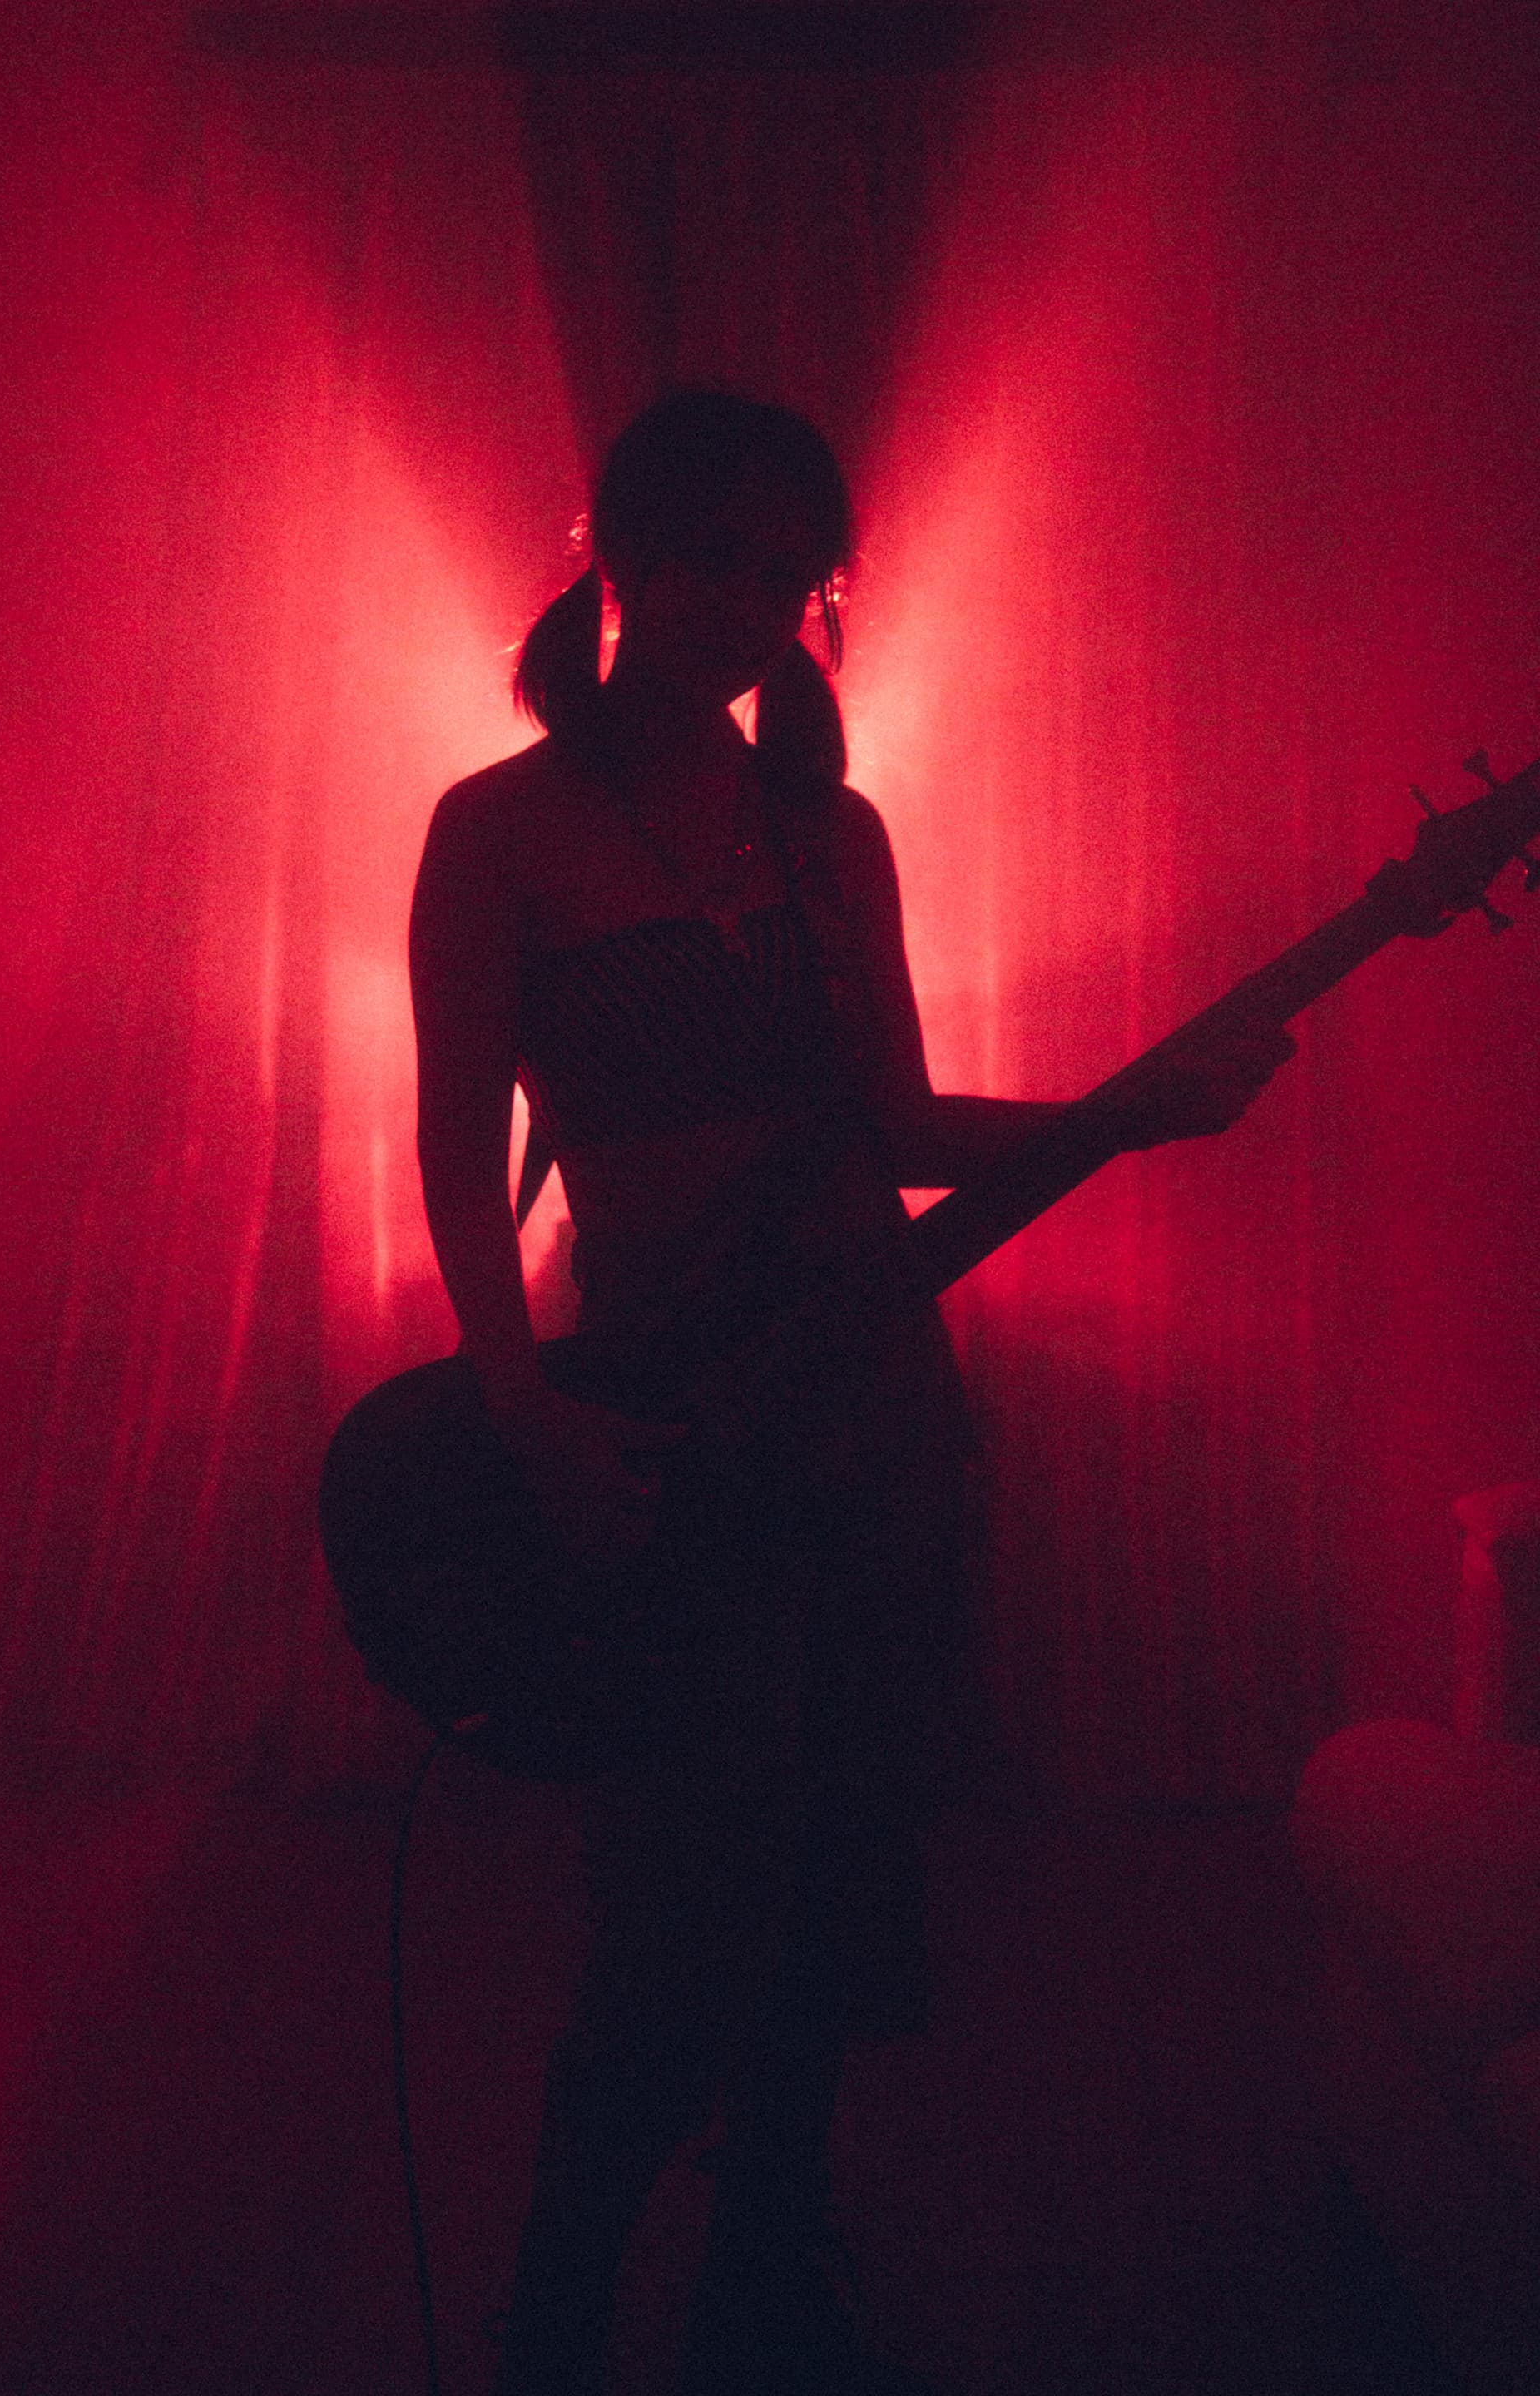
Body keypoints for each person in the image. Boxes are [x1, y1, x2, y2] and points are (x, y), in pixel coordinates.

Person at [407, 391, 1293, 2396]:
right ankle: (559, 2303)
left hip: (878, 1409)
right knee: (673, 1887)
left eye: (785, 564)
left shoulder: (831, 835)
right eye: (706, 547)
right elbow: (462, 1156)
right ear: (612, 549)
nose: (745, 596)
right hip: (659, 1409)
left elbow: (891, 1127)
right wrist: (524, 1409)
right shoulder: (501, 829)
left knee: (834, 1856)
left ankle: (770, 2252)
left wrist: (1123, 1119)